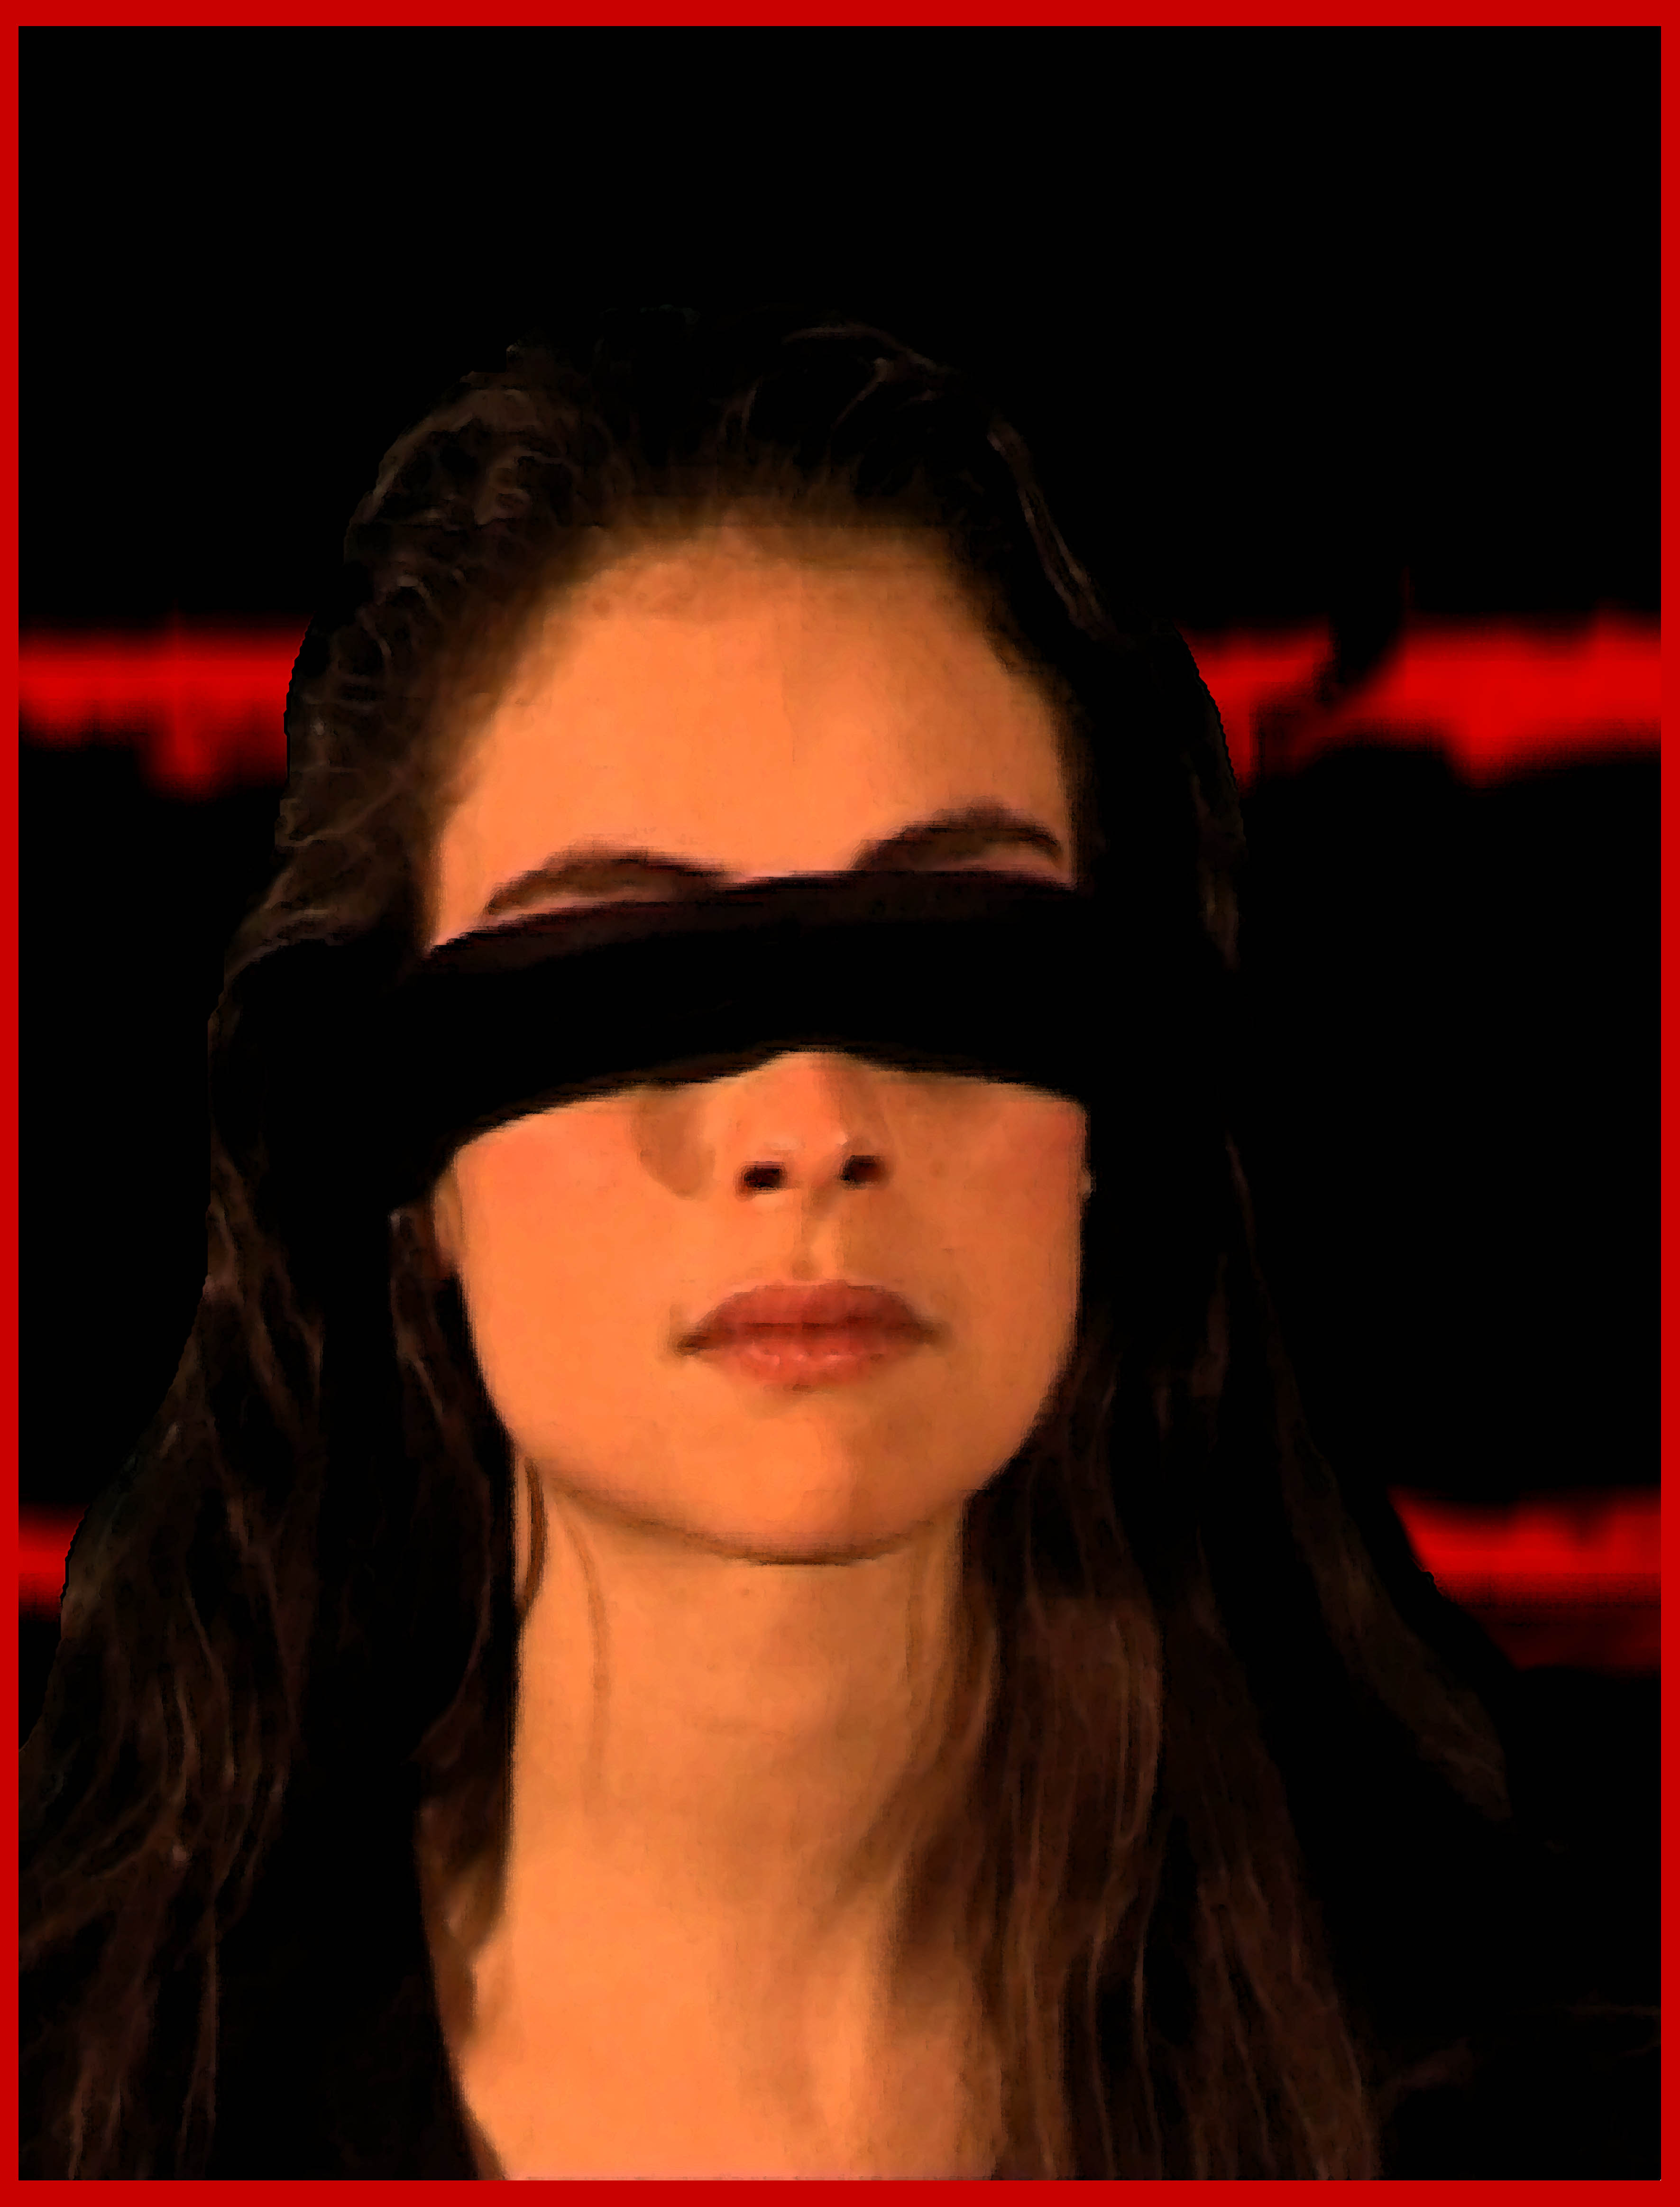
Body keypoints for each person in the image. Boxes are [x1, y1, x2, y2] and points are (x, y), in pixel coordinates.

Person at [19, 303, 1656, 2179]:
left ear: (1104, 1101)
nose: (809, 1122)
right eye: (616, 975)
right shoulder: (106, 2111)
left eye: (944, 953)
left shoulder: (1527, 2101)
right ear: (410, 1147)